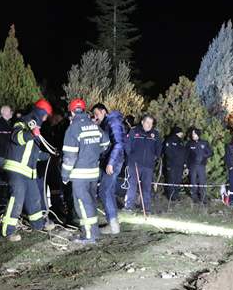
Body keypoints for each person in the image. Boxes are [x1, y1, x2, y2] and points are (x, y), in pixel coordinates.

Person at [0, 100, 52, 242]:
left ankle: (38, 225)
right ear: (41, 112)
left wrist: (50, 155)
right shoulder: (22, 122)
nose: (46, 119)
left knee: (34, 198)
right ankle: (8, 231)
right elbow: (16, 138)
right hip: (17, 169)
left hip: (29, 171)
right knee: (17, 198)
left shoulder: (36, 130)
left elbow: (34, 154)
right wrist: (31, 134)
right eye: (46, 115)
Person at [62, 99, 109, 243]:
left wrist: (65, 175)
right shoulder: (94, 125)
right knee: (90, 203)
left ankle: (89, 236)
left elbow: (70, 157)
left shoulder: (73, 129)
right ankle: (92, 232)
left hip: (79, 175)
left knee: (82, 204)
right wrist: (93, 153)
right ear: (84, 110)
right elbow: (106, 143)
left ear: (71, 111)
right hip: (93, 173)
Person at [91, 103, 125, 234]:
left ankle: (113, 224)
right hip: (109, 160)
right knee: (108, 191)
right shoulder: (106, 122)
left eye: (96, 113)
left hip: (114, 161)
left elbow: (118, 143)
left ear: (104, 111)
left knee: (104, 191)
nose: (95, 116)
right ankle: (114, 223)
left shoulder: (113, 122)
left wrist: (110, 162)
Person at [124, 114, 162, 214]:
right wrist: (131, 156)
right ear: (142, 122)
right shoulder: (134, 131)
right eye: (147, 122)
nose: (149, 125)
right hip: (134, 164)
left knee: (147, 187)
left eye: (151, 123)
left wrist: (155, 157)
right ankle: (129, 206)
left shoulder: (155, 134)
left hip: (148, 166)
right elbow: (127, 144)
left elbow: (158, 148)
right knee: (132, 185)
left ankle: (146, 208)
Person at [187, 128, 213, 204]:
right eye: (192, 134)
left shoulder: (204, 143)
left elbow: (211, 152)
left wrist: (203, 156)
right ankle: (194, 198)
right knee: (193, 182)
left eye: (194, 134)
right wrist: (187, 165)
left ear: (198, 134)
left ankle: (203, 198)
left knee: (202, 182)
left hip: (201, 166)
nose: (193, 135)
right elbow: (186, 155)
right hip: (192, 166)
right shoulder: (189, 143)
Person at [162, 126, 187, 201]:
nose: (182, 134)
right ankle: (171, 196)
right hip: (172, 164)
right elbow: (167, 152)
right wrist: (171, 161)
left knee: (178, 180)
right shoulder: (169, 140)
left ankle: (176, 195)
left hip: (180, 165)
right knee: (171, 180)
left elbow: (184, 153)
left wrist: (184, 163)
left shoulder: (181, 142)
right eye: (181, 132)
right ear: (177, 133)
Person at [0, 105, 14, 172]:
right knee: (2, 175)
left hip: (6, 154)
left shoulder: (8, 123)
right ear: (4, 112)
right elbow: (1, 139)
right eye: (10, 111)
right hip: (2, 154)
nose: (11, 113)